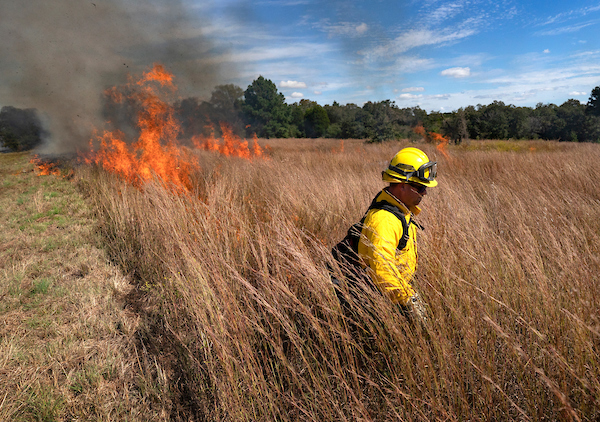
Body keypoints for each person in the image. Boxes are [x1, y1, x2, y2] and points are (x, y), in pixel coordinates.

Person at [331, 147, 437, 327]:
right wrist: (409, 301)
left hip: (389, 296)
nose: (425, 192)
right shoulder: (385, 220)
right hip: (378, 302)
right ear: (402, 185)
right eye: (420, 187)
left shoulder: (401, 212)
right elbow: (383, 269)